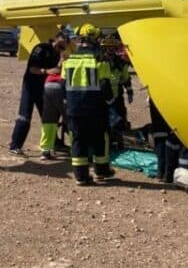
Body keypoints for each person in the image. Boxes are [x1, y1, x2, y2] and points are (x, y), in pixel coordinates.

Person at [62, 24, 115, 185]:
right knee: (100, 139)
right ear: (95, 39)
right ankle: (101, 170)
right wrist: (111, 102)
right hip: (96, 108)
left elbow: (62, 85)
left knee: (78, 140)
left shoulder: (69, 60)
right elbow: (106, 86)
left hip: (74, 108)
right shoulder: (100, 59)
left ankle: (81, 176)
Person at [8, 31, 68, 155]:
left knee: (49, 118)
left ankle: (55, 143)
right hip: (31, 86)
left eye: (63, 47)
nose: (60, 49)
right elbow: (32, 69)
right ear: (55, 40)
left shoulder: (58, 54)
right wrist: (47, 71)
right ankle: (15, 145)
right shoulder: (41, 48)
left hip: (45, 89)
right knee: (25, 116)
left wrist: (61, 63)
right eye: (60, 45)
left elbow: (57, 70)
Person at [38, 37, 70, 160]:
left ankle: (45, 150)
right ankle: (78, 150)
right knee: (70, 120)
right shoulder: (68, 57)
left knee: (49, 121)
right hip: (61, 87)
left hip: (48, 86)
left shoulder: (58, 56)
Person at [101, 35, 133, 151]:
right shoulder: (100, 62)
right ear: (104, 48)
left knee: (120, 120)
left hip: (117, 96)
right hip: (103, 97)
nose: (111, 49)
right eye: (108, 47)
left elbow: (125, 78)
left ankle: (120, 144)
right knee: (105, 122)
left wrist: (130, 92)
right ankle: (108, 144)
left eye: (113, 47)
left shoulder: (121, 63)